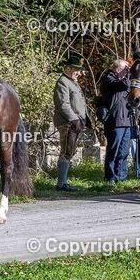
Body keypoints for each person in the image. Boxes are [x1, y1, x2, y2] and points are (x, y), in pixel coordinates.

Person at [53, 53, 91, 191]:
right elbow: (63, 104)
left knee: (69, 151)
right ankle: (61, 184)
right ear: (68, 68)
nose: (79, 73)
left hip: (75, 123)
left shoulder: (72, 83)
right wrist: (74, 119)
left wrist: (84, 120)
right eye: (77, 70)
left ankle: (62, 182)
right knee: (66, 152)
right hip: (68, 123)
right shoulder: (63, 82)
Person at [97, 59, 133, 184]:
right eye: (126, 68)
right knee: (113, 150)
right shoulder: (108, 79)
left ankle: (121, 177)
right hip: (114, 121)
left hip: (126, 121)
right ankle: (110, 177)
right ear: (118, 69)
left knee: (124, 151)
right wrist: (129, 74)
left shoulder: (122, 79)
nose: (128, 71)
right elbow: (122, 86)